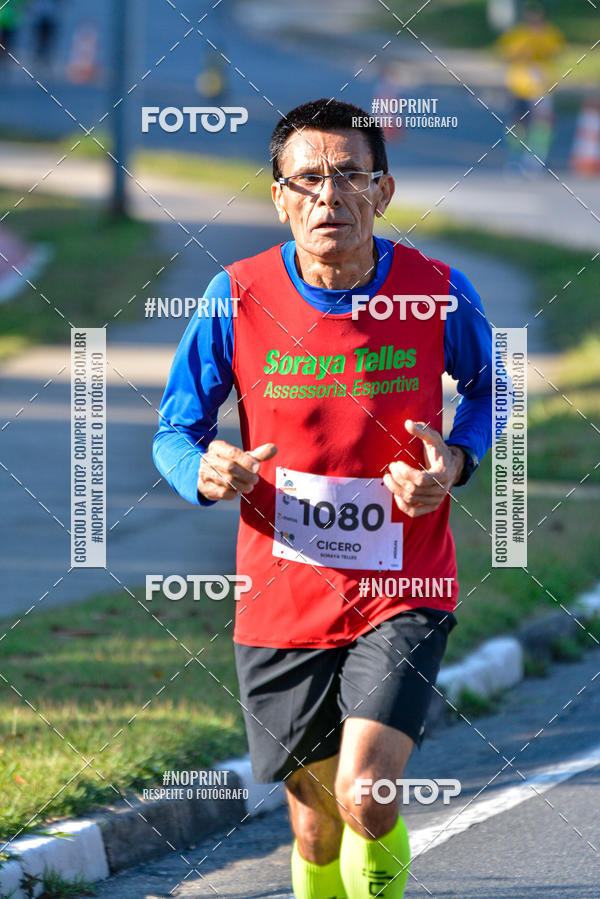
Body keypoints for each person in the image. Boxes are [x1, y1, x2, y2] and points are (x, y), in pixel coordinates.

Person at [153, 98, 493, 898]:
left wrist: (458, 458)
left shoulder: (436, 290)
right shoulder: (235, 295)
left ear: (383, 191)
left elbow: (488, 390)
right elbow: (177, 428)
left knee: (365, 793)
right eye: (306, 179)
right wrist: (203, 471)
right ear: (278, 195)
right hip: (281, 589)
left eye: (349, 176)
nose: (327, 196)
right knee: (313, 821)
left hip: (403, 580)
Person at [496, 1, 564, 170]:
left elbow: (555, 52)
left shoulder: (550, 34)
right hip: (519, 85)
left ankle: (538, 157)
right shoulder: (517, 36)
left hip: (542, 86)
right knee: (519, 123)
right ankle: (516, 156)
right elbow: (506, 54)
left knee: (542, 123)